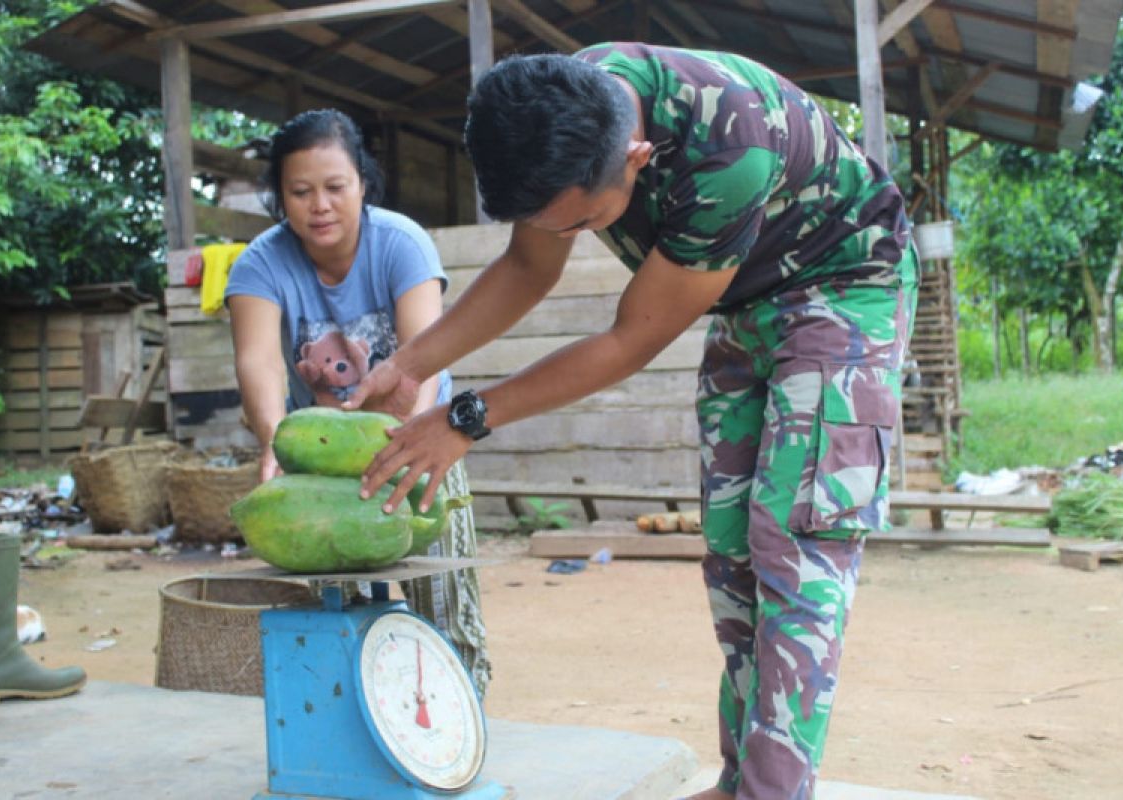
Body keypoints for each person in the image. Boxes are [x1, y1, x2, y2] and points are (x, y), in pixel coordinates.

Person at [347, 44, 919, 799]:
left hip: (844, 286)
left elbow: (627, 341)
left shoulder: (728, 150)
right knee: (731, 548)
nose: (572, 234)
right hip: (741, 299)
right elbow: (527, 268)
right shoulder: (562, 107)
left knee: (795, 544)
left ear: (637, 157)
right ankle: (740, 778)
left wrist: (466, 419)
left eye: (585, 221)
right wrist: (408, 365)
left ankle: (773, 793)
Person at [223, 108, 490, 697]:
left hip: (420, 440)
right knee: (330, 614)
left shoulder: (401, 243)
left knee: (443, 611)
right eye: (300, 191)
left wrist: (411, 435)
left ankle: (458, 724)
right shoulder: (258, 265)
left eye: (335, 187)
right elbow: (260, 363)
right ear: (280, 198)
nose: (319, 205)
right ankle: (348, 733)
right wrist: (272, 438)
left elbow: (425, 352)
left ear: (363, 184)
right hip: (317, 465)